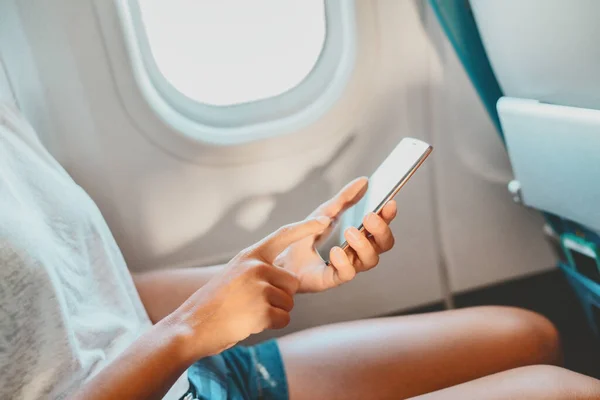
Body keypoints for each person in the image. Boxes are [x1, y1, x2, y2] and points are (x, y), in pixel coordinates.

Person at [1, 102, 599, 400]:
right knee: (560, 392)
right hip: (167, 362)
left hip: (194, 377)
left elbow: (84, 292)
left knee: (530, 335)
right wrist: (187, 331)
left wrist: (273, 272)